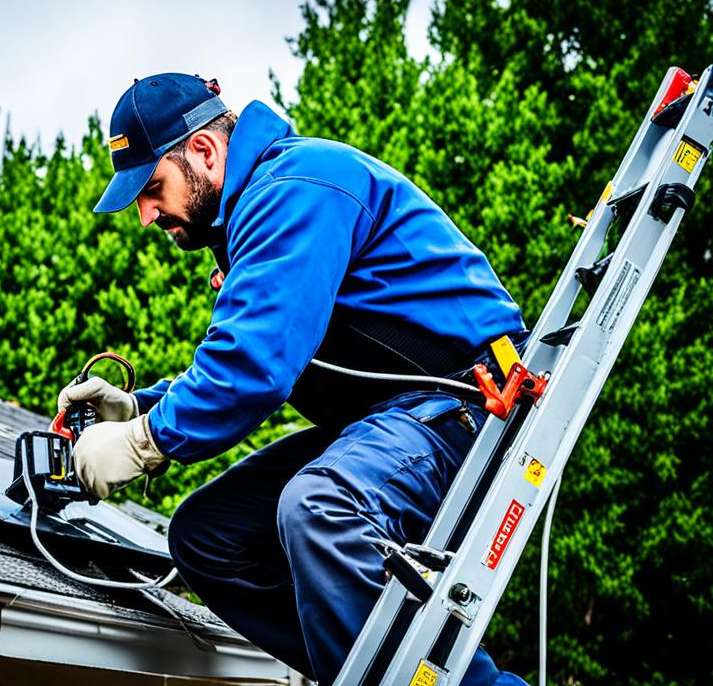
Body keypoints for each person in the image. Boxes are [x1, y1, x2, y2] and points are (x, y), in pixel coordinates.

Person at [57, 72, 529, 686]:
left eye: (152, 188)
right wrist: (139, 406)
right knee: (208, 536)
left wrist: (145, 442)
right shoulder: (258, 215)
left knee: (319, 508)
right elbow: (247, 350)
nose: (147, 216)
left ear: (203, 150)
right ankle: (372, 669)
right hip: (399, 417)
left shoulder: (293, 189)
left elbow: (253, 365)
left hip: (467, 404)